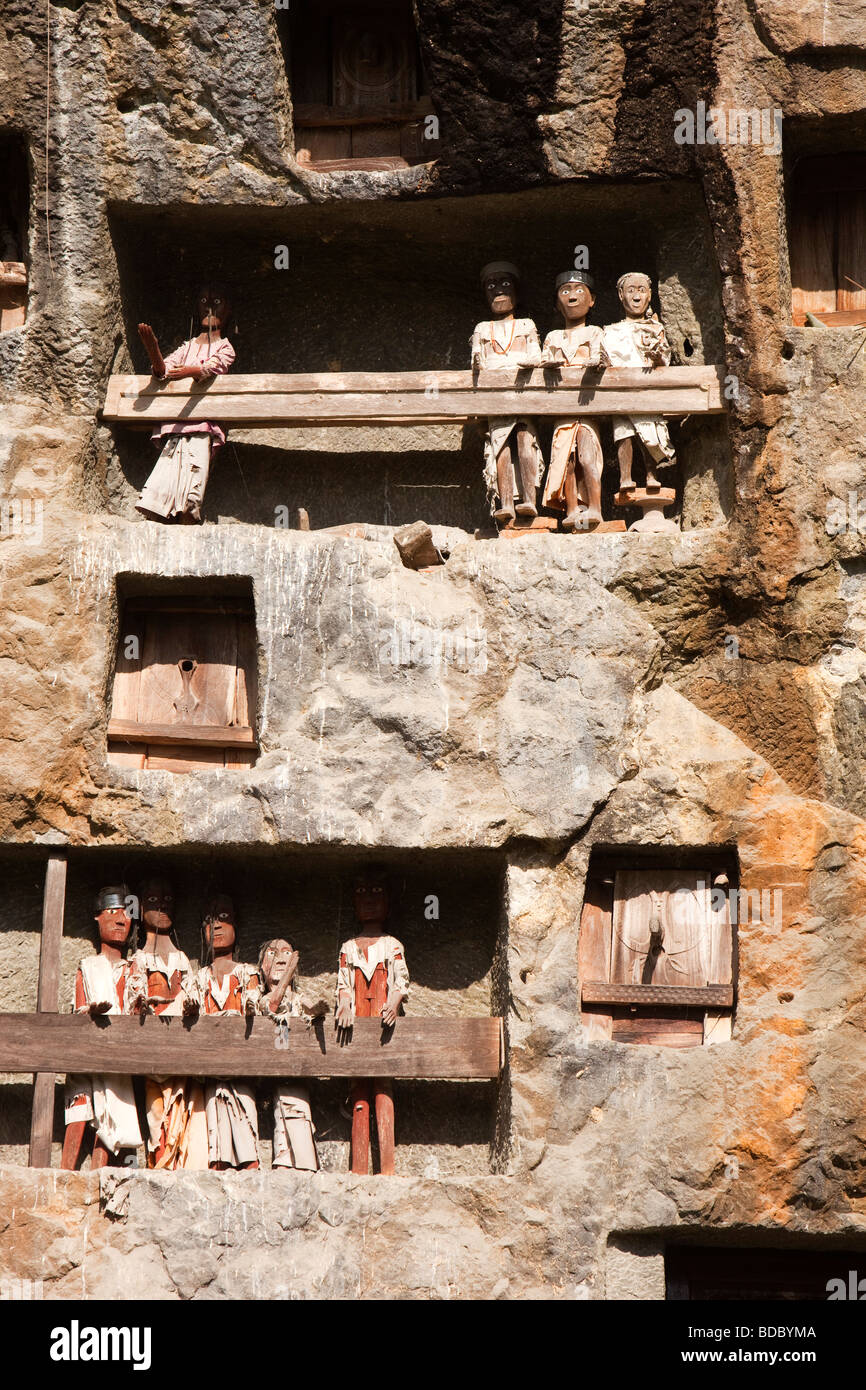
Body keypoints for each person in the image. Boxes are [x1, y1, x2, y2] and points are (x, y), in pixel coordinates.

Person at [61, 885, 146, 1170]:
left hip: (117, 1053)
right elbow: (79, 1007)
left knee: (113, 1107)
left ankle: (99, 1172)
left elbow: (134, 1008)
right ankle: (65, 1172)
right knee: (79, 1102)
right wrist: (90, 1011)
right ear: (97, 917)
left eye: (126, 913)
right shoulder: (87, 966)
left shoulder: (132, 967)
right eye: (112, 912)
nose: (121, 919)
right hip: (87, 1050)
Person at [136, 285, 235, 523]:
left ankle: (186, 527)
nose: (209, 306)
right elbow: (165, 370)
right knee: (165, 482)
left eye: (217, 300)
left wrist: (189, 371)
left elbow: (213, 367)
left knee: (192, 484)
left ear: (228, 309)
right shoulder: (187, 347)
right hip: (177, 428)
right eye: (203, 300)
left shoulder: (225, 346)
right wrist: (154, 351)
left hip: (202, 427)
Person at [335, 868, 409, 1175]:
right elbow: (342, 984)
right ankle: (358, 1169)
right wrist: (343, 1005)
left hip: (382, 1025)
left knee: (383, 1091)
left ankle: (388, 1168)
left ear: (389, 903)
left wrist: (393, 1003)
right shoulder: (348, 947)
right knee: (359, 1097)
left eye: (377, 893)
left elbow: (401, 981)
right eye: (362, 894)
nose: (368, 901)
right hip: (357, 1026)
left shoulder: (393, 944)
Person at [132, 877, 208, 1170]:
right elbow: (135, 996)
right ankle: (159, 1165)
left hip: (180, 1050)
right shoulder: (138, 958)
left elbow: (192, 993)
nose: (161, 905)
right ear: (139, 907)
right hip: (153, 1053)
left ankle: (179, 1165)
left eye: (167, 900)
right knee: (156, 1116)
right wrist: (143, 1006)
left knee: (182, 1113)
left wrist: (189, 1004)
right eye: (152, 900)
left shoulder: (182, 959)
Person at [185, 892, 261, 1170]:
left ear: (236, 925)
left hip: (240, 1066)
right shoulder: (199, 977)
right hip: (210, 1070)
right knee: (216, 1140)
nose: (215, 926)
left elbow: (254, 1004)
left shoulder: (246, 973)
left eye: (223, 918)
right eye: (208, 920)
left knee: (245, 1130)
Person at [470, 261, 544, 525]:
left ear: (517, 292)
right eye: (491, 285)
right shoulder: (482, 328)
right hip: (497, 399)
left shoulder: (526, 325)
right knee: (500, 445)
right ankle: (505, 503)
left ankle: (528, 499)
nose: (498, 291)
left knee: (525, 439)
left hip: (523, 395)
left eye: (505, 284)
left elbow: (536, 355)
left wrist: (526, 362)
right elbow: (478, 362)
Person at [541, 270, 607, 531]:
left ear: (592, 301)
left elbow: (604, 359)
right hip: (562, 406)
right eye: (564, 291)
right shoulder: (552, 337)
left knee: (588, 456)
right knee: (565, 458)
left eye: (579, 290)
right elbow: (541, 361)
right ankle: (570, 509)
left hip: (587, 403)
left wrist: (597, 363)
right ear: (557, 303)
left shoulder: (595, 333)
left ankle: (595, 508)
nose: (571, 297)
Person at [602, 272, 675, 492]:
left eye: (641, 290)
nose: (636, 296)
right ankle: (625, 476)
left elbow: (665, 360)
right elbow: (607, 359)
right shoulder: (611, 330)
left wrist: (657, 358)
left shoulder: (656, 328)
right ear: (620, 295)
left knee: (649, 432)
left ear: (650, 295)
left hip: (648, 390)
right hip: (622, 390)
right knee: (624, 432)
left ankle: (651, 475)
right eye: (631, 290)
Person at [257, 938, 324, 1172]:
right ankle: (284, 1161)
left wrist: (318, 1009)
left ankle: (302, 1162)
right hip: (272, 1065)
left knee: (297, 1109)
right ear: (262, 966)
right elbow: (272, 1005)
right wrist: (289, 973)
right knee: (283, 1110)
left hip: (295, 1067)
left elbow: (308, 1006)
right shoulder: (261, 998)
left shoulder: (295, 998)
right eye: (272, 953)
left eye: (286, 953)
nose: (280, 958)